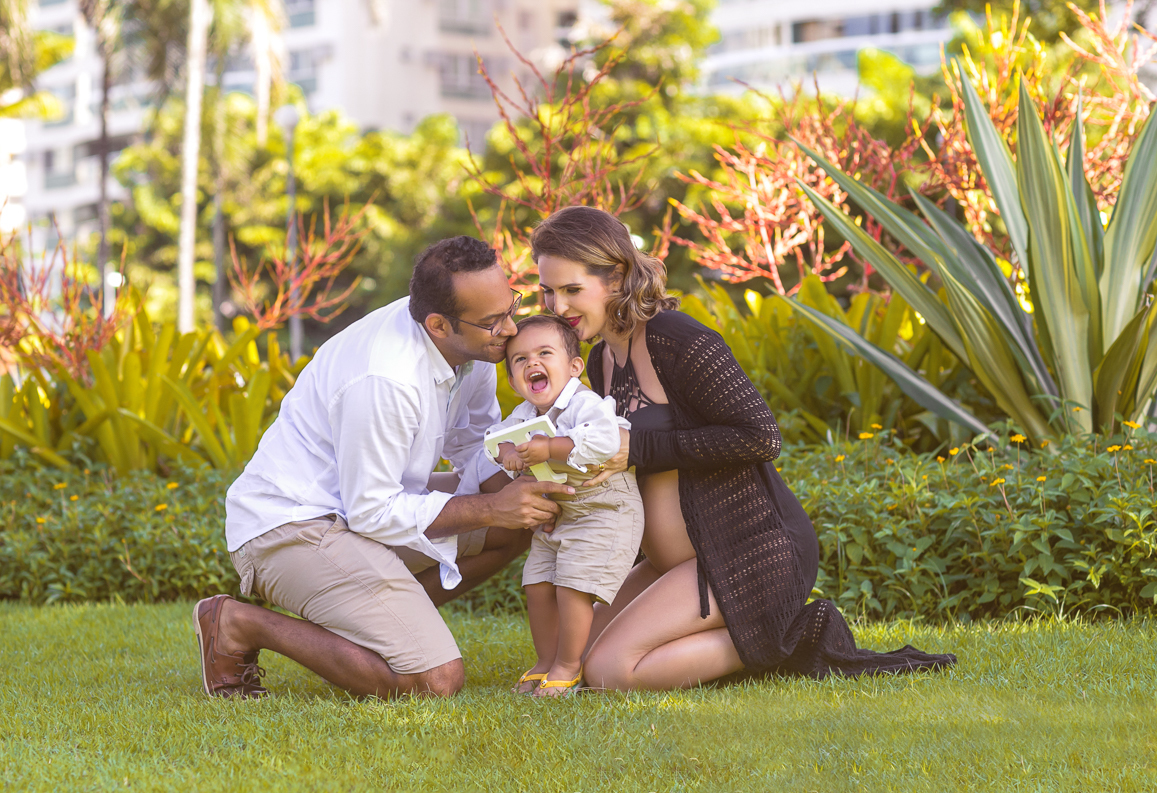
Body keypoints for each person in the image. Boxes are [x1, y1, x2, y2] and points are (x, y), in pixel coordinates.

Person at [532, 205, 957, 690]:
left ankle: (779, 638)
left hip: (745, 552)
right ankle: (741, 634)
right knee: (579, 651)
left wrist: (639, 449)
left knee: (610, 672)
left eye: (571, 290)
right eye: (548, 289)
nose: (556, 306)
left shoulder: (677, 340)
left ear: (616, 278)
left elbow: (760, 436)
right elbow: (615, 457)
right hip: (672, 563)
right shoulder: (601, 358)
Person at [192, 236, 574, 700]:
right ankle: (238, 623)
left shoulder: (472, 348)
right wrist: (494, 507)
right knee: (433, 681)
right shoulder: (385, 379)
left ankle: (385, 621)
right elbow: (372, 510)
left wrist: (532, 496)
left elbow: (478, 448)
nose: (511, 330)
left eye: (511, 307)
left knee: (516, 526)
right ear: (437, 324)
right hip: (291, 525)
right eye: (494, 322)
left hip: (361, 505)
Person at [485, 315, 643, 697]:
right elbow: (493, 438)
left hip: (604, 508)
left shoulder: (585, 404)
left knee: (572, 586)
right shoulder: (526, 415)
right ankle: (545, 660)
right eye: (520, 360)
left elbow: (607, 440)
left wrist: (551, 448)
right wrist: (506, 451)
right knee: (538, 583)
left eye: (543, 353)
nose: (532, 364)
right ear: (512, 381)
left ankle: (568, 666)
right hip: (561, 512)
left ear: (573, 368)